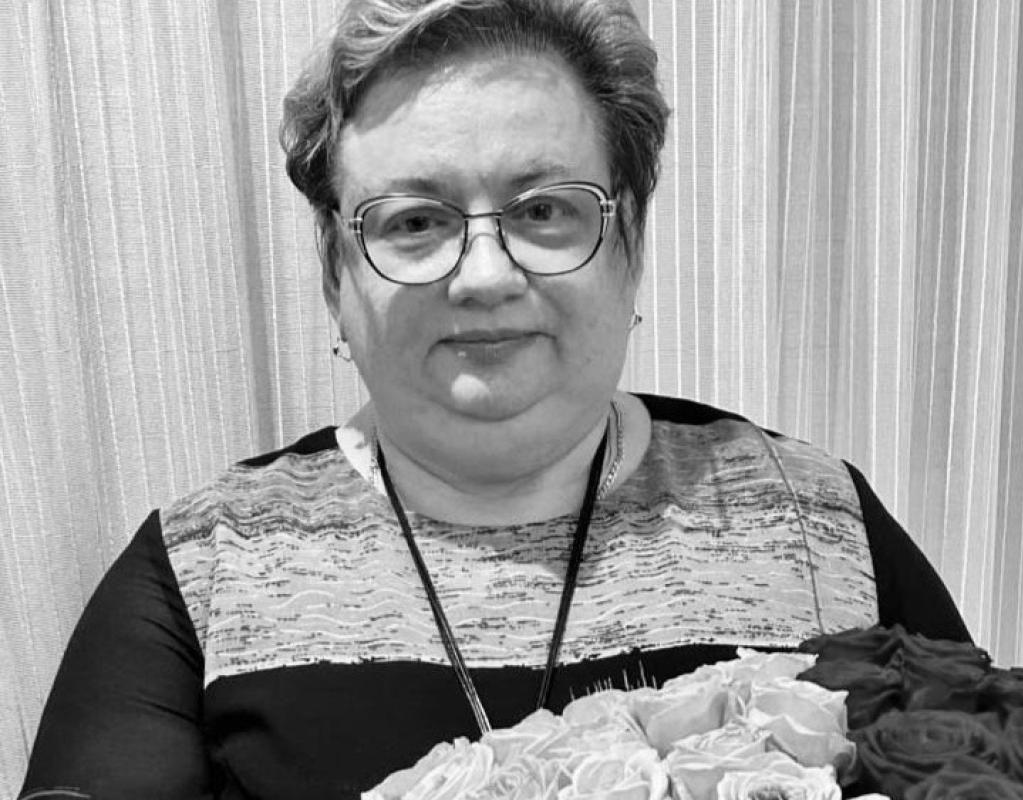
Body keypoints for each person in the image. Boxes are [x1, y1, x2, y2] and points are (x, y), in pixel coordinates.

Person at [19, 1, 970, 797]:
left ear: (631, 246)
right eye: (415, 221)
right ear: (335, 277)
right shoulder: (205, 566)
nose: (484, 275)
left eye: (544, 209)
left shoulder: (816, 517)